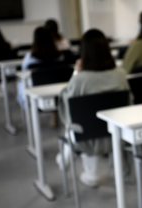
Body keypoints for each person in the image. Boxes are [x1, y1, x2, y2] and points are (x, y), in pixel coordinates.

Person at [57, 29, 131, 188]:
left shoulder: (80, 80)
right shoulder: (120, 75)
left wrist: (76, 72)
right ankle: (64, 159)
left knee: (77, 122)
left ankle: (85, 171)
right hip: (116, 133)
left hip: (88, 136)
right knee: (84, 121)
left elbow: (66, 103)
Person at [16, 26, 63, 109]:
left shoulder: (29, 59)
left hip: (35, 97)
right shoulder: (60, 57)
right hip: (58, 95)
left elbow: (24, 75)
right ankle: (54, 115)